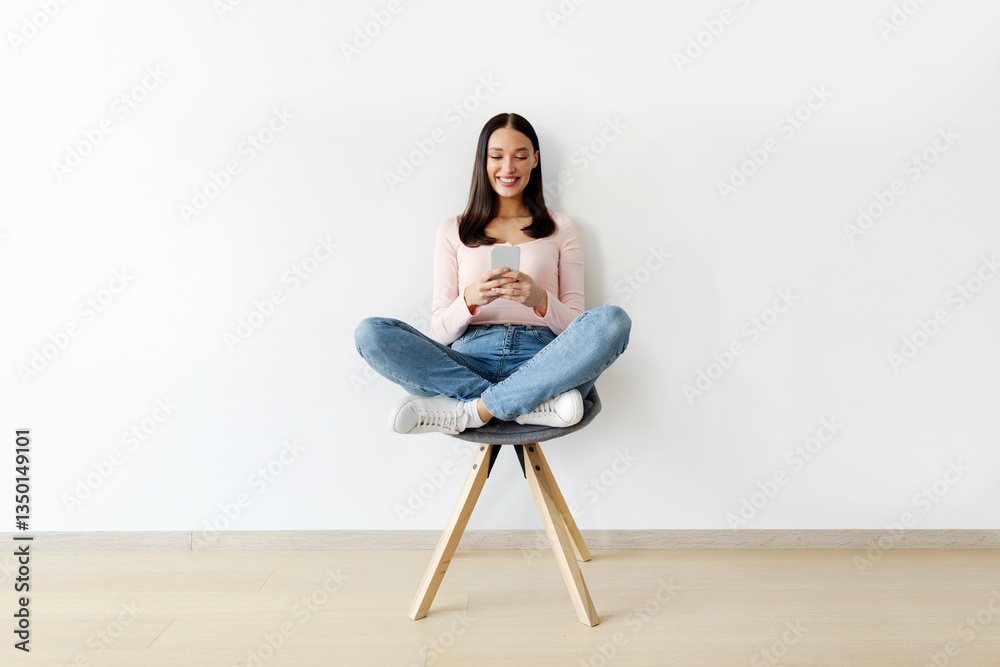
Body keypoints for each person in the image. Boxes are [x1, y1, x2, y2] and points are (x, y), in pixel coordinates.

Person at [354, 112, 631, 435]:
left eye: (520, 157)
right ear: (483, 161)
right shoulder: (453, 230)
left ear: (535, 160)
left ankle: (475, 410)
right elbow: (439, 332)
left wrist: (540, 299)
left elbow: (577, 328)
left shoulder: (561, 227)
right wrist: (469, 300)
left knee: (613, 322)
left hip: (544, 362)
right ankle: (528, 405)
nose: (508, 168)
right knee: (371, 333)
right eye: (497, 156)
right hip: (468, 364)